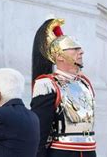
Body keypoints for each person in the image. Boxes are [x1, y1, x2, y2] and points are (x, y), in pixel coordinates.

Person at [30, 18, 96, 157]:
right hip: (63, 152)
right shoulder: (47, 84)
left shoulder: (84, 82)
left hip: (89, 150)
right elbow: (40, 131)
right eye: (75, 48)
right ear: (60, 56)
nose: (81, 52)